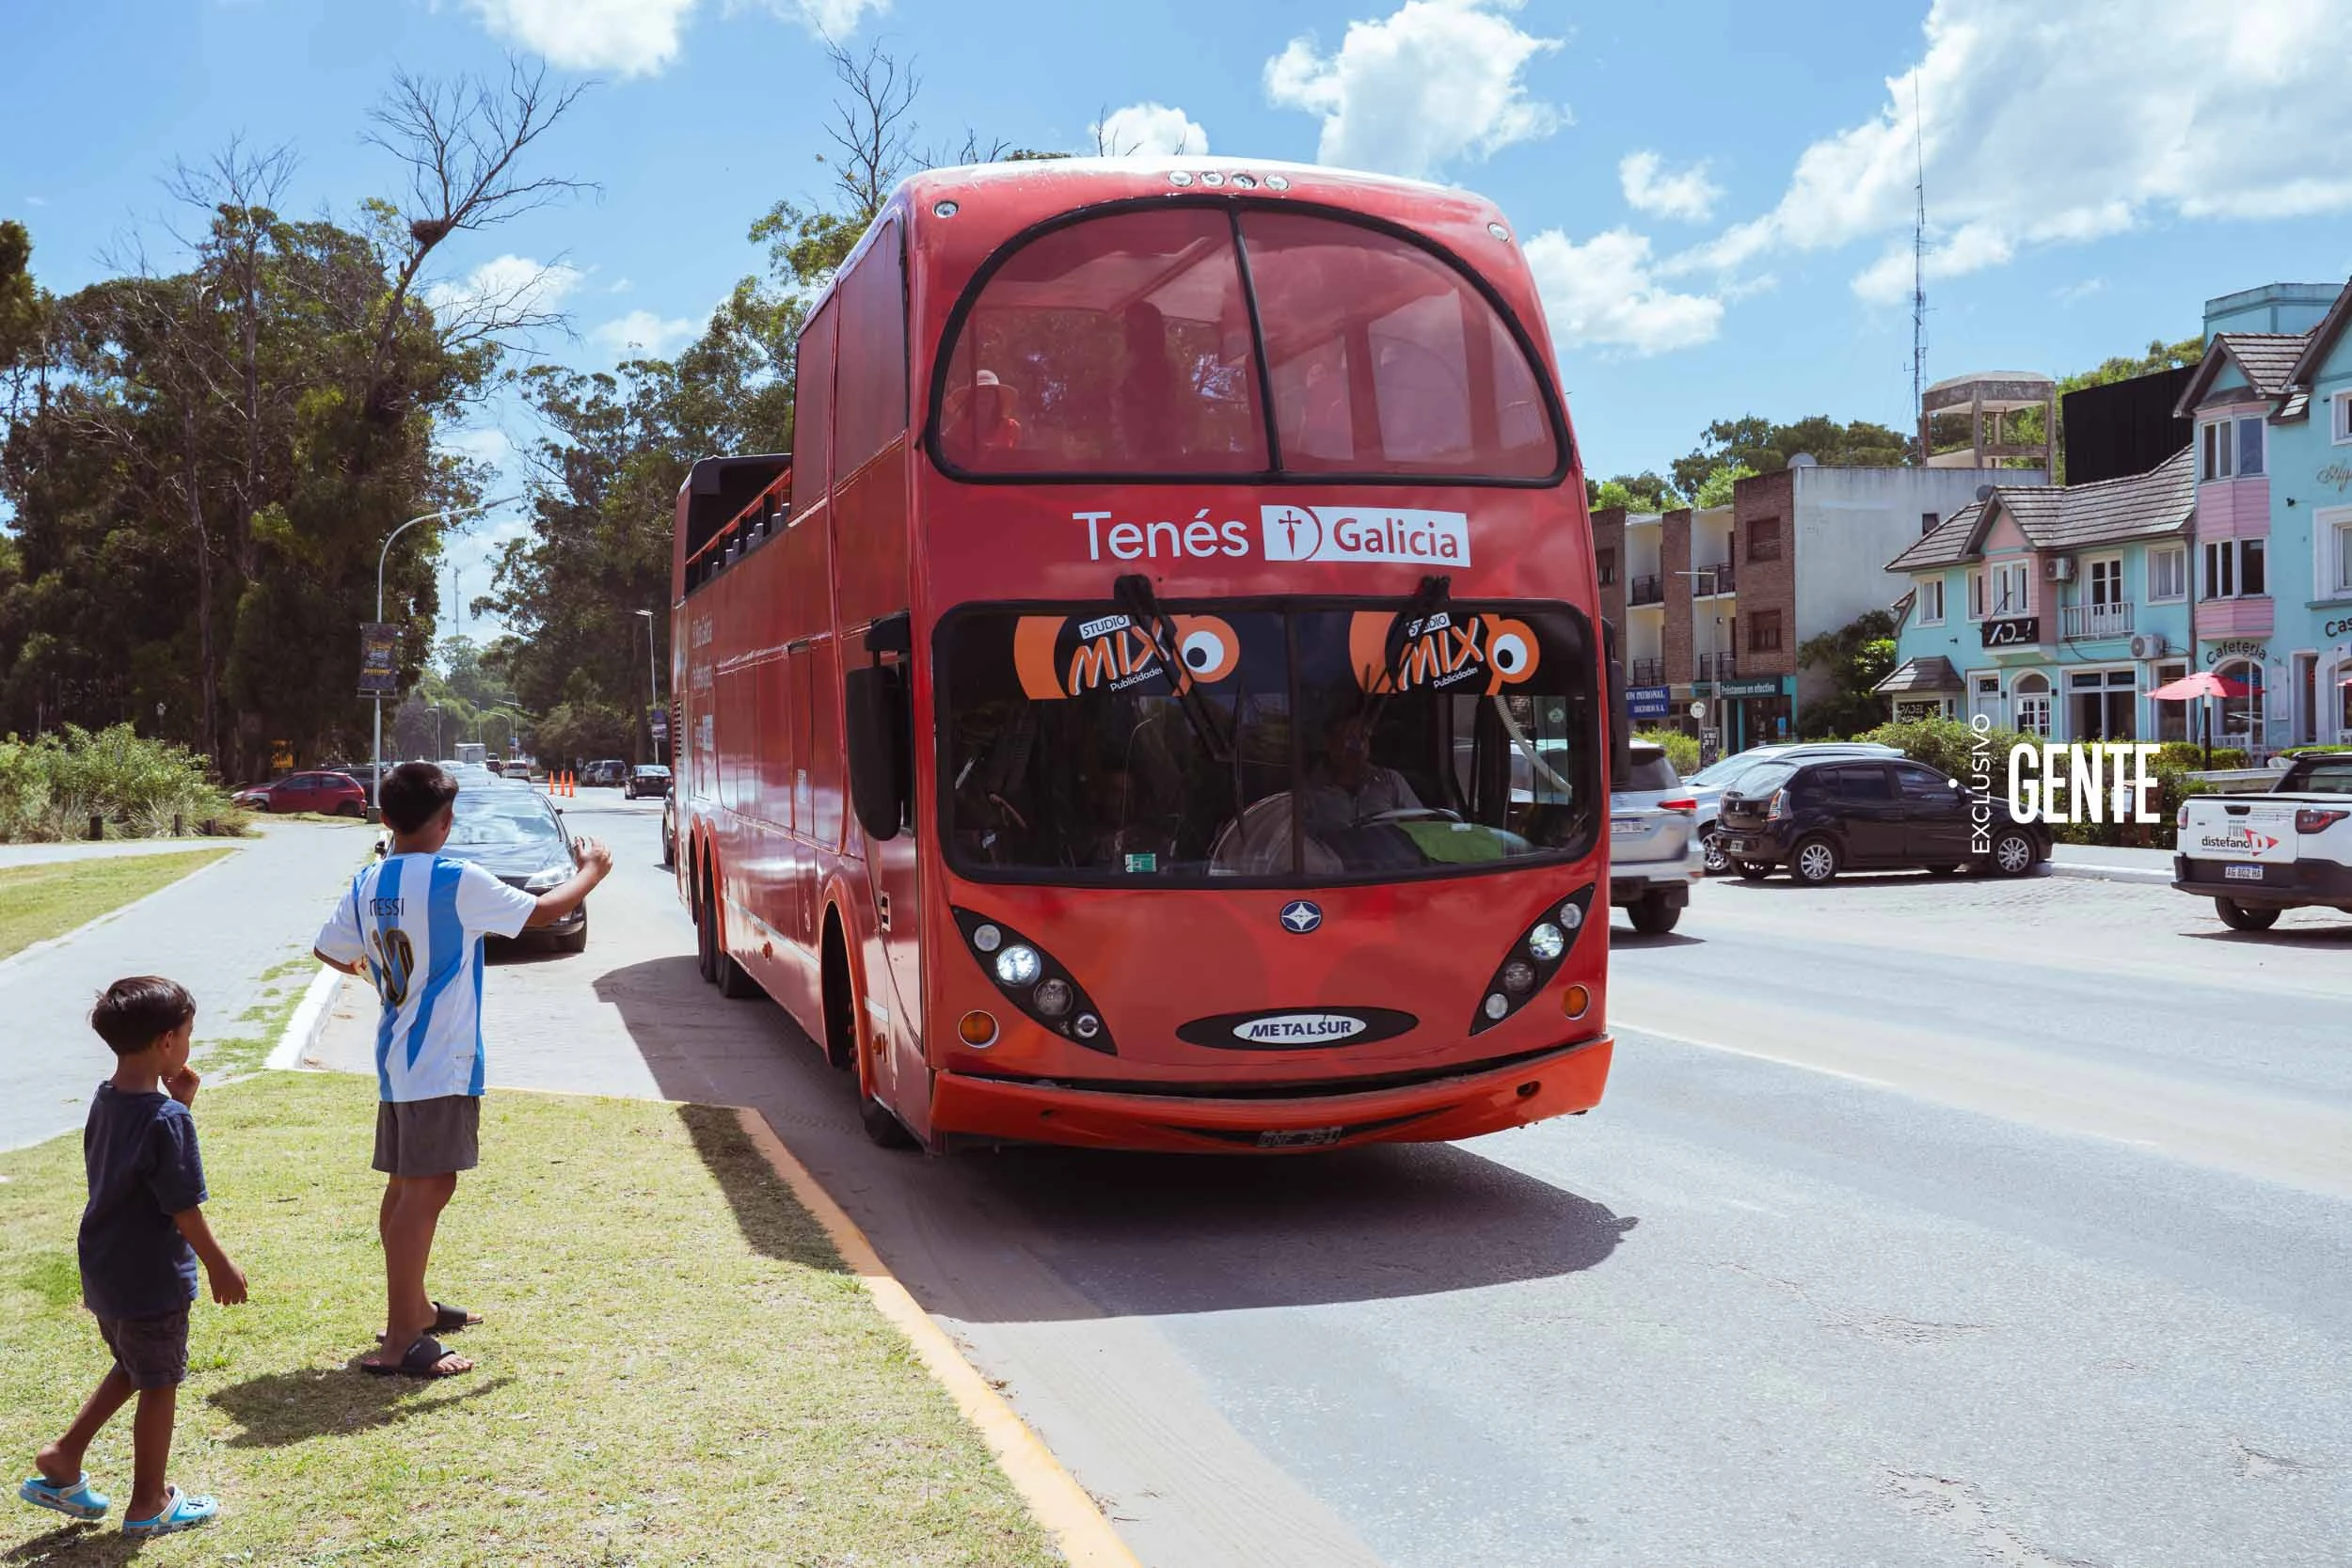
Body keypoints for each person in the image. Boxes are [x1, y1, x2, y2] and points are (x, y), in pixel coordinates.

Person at [312, 762, 611, 1379]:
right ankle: (403, 1337)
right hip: (441, 1061)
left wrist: (383, 979)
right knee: (428, 1188)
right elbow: (541, 912)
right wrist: (591, 871)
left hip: (397, 1056)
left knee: (406, 1186)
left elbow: (329, 949)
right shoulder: (454, 878)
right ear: (446, 822)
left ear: (386, 818)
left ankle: (413, 1307)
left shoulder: (368, 880)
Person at [20, 977, 246, 1539]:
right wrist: (219, 1263)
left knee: (135, 1364)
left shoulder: (107, 1098)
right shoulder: (167, 1120)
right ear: (167, 1041)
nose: (189, 1043)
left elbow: (135, 1166)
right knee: (160, 1380)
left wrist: (179, 1103)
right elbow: (182, 1207)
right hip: (151, 1276)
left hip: (106, 1266)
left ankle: (63, 1456)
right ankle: (149, 1501)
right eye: (188, 1033)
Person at [1303, 714, 1423, 832]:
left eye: (1363, 737)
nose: (1357, 746)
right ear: (1329, 743)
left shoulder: (1391, 781)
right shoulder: (1308, 791)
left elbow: (1421, 828)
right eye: (1348, 738)